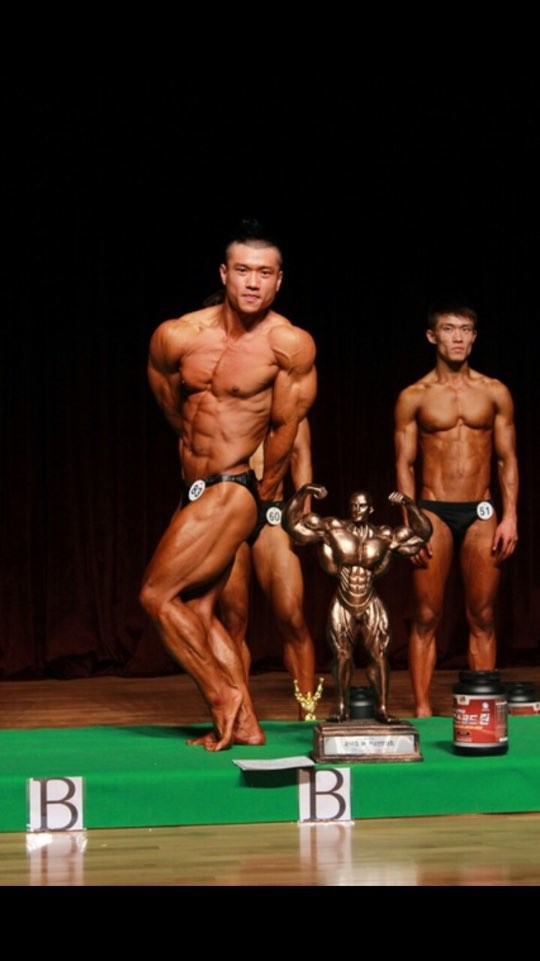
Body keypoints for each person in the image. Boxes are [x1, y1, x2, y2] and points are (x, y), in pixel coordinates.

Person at [139, 219, 317, 751]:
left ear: (279, 281)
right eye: (243, 270)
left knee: (156, 595)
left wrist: (260, 493)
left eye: (265, 273)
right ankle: (247, 726)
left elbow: (285, 428)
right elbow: (172, 406)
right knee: (197, 610)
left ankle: (224, 696)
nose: (253, 282)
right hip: (195, 488)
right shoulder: (177, 335)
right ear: (224, 273)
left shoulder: (288, 345)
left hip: (235, 487)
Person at [394, 304, 519, 717]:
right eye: (449, 329)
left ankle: (482, 709)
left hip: (481, 511)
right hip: (432, 511)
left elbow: (506, 459)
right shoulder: (414, 396)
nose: (459, 337)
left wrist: (510, 516)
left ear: (475, 336)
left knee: (482, 615)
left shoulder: (494, 392)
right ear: (432, 337)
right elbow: (404, 464)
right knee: (426, 615)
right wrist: (410, 524)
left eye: (466, 329)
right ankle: (423, 710)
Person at [282, 484, 432, 723]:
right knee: (342, 656)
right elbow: (291, 524)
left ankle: (382, 708)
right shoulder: (334, 528)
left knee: (380, 655)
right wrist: (304, 492)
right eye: (353, 506)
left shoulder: (384, 535)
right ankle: (341, 705)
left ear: (370, 509)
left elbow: (422, 534)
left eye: (362, 506)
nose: (357, 510)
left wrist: (409, 505)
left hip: (370, 599)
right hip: (343, 600)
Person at [218, 418, 317, 717]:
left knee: (292, 614)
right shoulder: (230, 403)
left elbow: (300, 454)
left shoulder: (289, 410)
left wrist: (304, 512)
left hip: (273, 511)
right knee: (233, 620)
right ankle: (242, 715)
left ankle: (308, 713)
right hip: (230, 510)